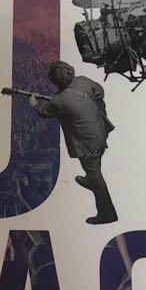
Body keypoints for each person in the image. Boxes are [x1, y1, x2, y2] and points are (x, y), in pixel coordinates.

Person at [30, 61, 117, 224]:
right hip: (100, 131)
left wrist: (34, 102)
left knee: (95, 174)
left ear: (55, 82)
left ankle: (107, 214)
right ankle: (90, 180)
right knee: (93, 165)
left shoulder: (59, 101)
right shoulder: (83, 80)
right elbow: (100, 92)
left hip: (88, 144)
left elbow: (44, 112)